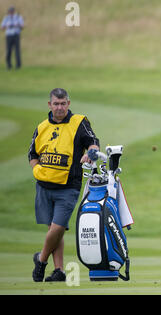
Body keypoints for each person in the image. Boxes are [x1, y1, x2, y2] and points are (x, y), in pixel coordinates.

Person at [28, 88, 100, 282]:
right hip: (44, 187)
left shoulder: (79, 123)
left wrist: (91, 153)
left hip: (68, 187)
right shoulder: (42, 126)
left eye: (63, 103)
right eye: (56, 104)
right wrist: (36, 171)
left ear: (68, 104)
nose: (59, 107)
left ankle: (41, 260)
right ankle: (59, 271)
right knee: (53, 229)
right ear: (49, 105)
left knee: (58, 228)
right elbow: (32, 154)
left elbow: (93, 142)